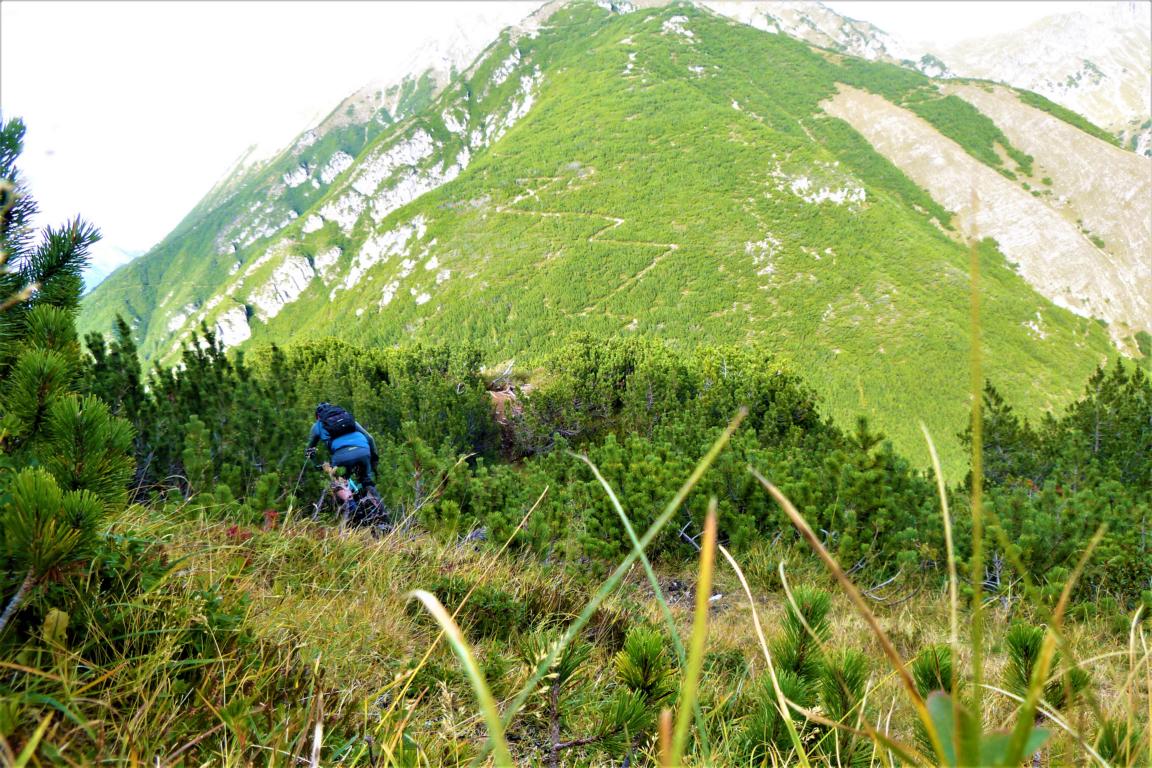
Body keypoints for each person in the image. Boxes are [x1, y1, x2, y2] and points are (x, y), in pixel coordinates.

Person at [306, 402, 379, 489]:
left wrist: (316, 465)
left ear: (318, 416)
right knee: (367, 480)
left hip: (341, 457)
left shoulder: (317, 425)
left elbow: (309, 451)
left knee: (338, 485)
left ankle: (347, 496)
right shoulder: (346, 418)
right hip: (363, 451)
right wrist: (374, 460)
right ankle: (372, 494)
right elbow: (370, 438)